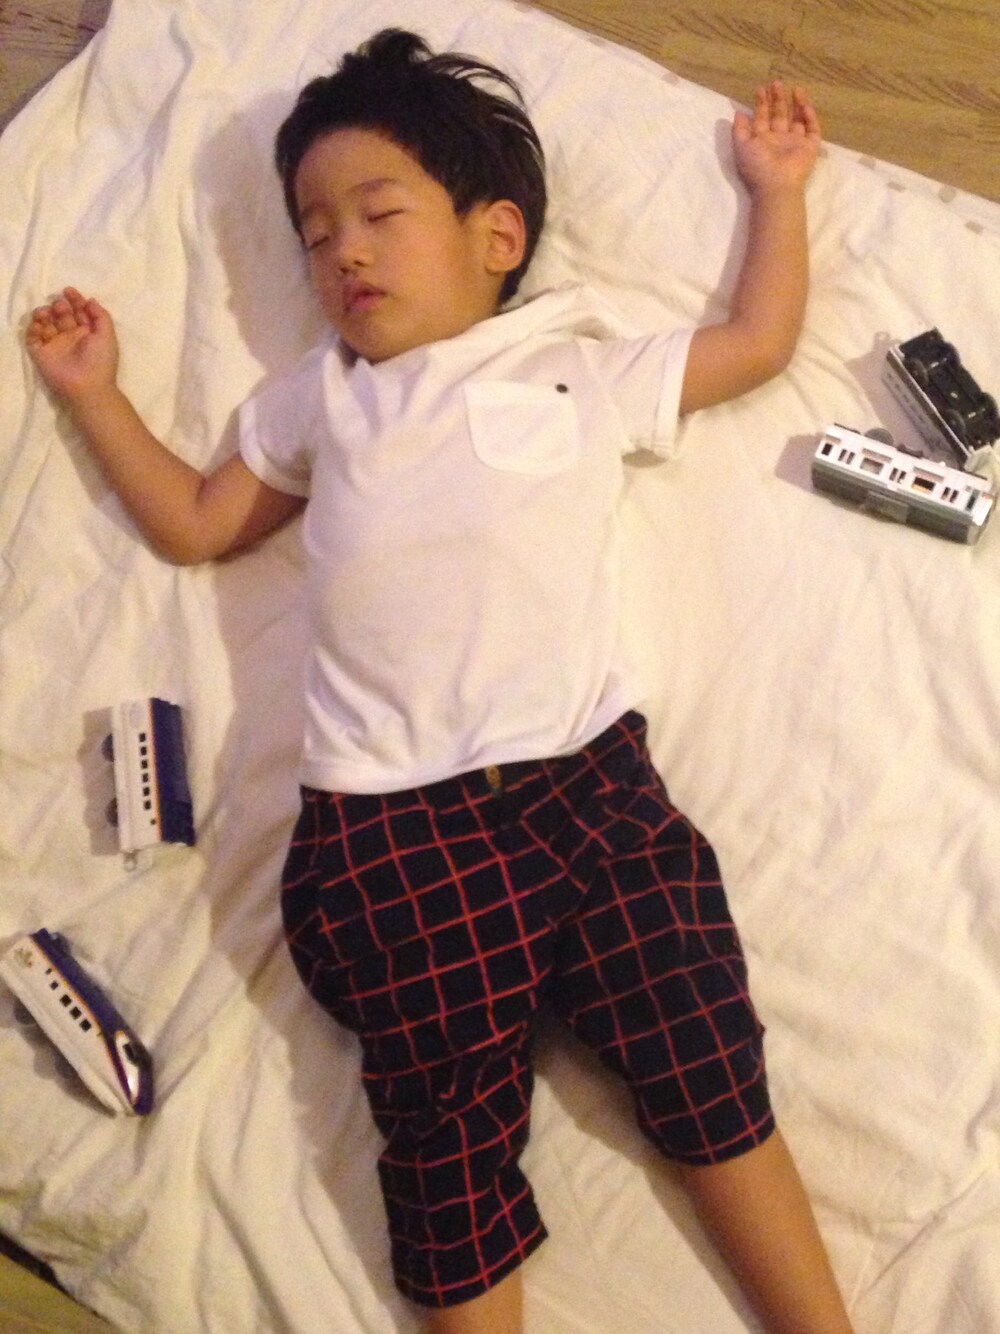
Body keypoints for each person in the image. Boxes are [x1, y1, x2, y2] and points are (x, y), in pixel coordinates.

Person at [25, 29, 853, 1334]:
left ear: (497, 236)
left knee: (704, 1052)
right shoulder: (322, 400)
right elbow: (194, 523)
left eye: (379, 214)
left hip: (589, 791)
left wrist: (777, 192)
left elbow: (755, 340)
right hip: (391, 832)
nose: (342, 253)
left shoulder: (576, 359)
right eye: (314, 235)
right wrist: (96, 397)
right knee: (444, 1149)